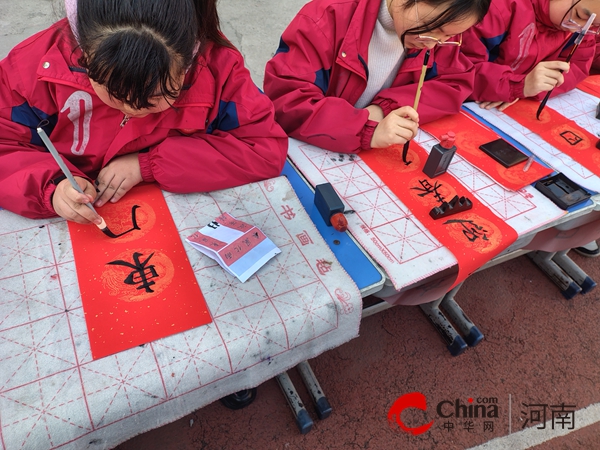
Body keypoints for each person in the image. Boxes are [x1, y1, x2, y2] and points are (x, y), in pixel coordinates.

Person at [0, 0, 288, 223]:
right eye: (113, 92)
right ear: (84, 53)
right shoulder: (33, 69)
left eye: (157, 96)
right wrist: (53, 188)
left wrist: (149, 165)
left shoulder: (219, 71)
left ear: (189, 61)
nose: (132, 109)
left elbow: (263, 147)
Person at [263, 0, 491, 154]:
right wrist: (366, 129)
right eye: (431, 28)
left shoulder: (437, 37)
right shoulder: (327, 16)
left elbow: (456, 81)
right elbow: (288, 102)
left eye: (448, 35)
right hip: (313, 150)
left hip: (367, 150)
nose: (433, 43)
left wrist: (384, 109)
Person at [461, 0, 600, 111]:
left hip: (507, 98)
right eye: (579, 16)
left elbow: (577, 67)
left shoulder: (582, 30)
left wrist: (531, 86)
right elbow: (459, 68)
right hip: (468, 101)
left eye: (593, 25)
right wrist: (516, 85)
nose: (579, 28)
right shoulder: (499, 8)